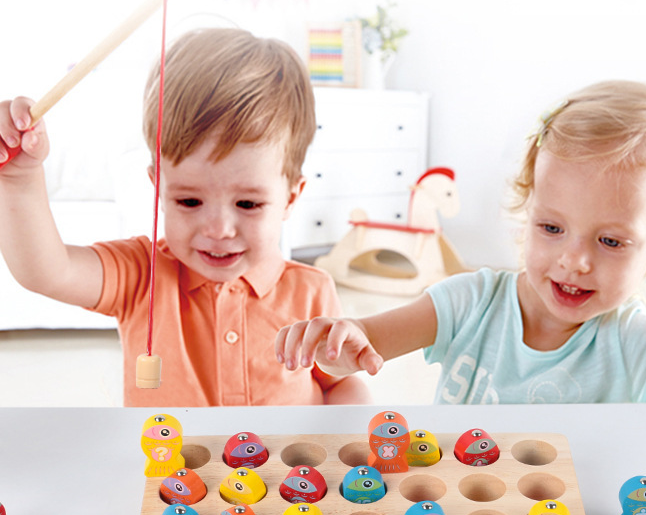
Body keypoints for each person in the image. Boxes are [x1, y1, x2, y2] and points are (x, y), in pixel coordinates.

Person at [275, 80, 646, 493]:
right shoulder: (469, 304)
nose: (574, 260)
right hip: (455, 513)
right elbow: (367, 341)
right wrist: (343, 342)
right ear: (529, 212)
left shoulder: (638, 341)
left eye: (612, 242)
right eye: (551, 228)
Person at [0, 28, 370, 406]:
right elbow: (46, 270)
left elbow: (339, 384)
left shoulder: (312, 291)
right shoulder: (139, 275)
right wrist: (19, 178)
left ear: (291, 198)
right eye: (190, 201)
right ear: (159, 186)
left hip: (283, 467)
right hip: (168, 466)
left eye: (247, 204)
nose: (219, 230)